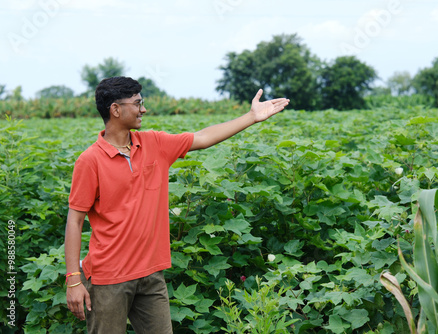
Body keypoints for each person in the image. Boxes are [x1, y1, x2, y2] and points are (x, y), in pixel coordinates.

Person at [64, 76, 290, 333]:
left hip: (151, 275)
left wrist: (251, 117)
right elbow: (75, 220)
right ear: (115, 109)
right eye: (137, 103)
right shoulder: (90, 161)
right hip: (109, 279)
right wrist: (73, 280)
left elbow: (202, 138)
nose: (143, 109)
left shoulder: (154, 144)